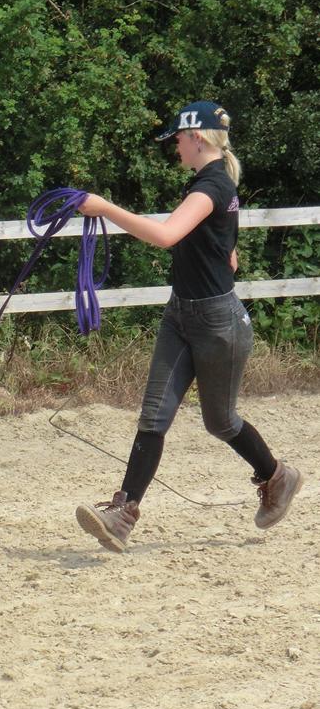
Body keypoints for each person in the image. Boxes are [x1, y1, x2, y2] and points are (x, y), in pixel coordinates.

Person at [73, 100, 303, 552]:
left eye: (177, 138)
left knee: (221, 422)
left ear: (196, 137)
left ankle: (277, 476)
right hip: (183, 314)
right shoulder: (214, 185)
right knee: (154, 416)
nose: (175, 146)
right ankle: (122, 513)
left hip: (217, 322)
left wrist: (103, 207)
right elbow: (227, 251)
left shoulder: (211, 185)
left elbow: (165, 236)